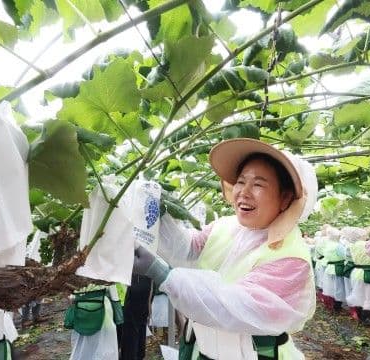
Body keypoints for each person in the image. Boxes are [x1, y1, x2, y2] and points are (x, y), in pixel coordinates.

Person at [133, 138, 317, 360]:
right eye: (240, 182)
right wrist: (159, 217)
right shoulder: (225, 226)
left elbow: (236, 305)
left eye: (258, 184)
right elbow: (188, 250)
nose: (244, 192)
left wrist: (163, 274)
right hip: (201, 350)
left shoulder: (292, 257)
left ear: (285, 197)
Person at [320, 225, 346, 312]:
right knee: (338, 287)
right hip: (337, 267)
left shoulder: (328, 245)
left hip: (329, 267)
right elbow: (344, 256)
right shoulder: (338, 246)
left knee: (330, 286)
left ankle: (331, 303)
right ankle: (337, 306)